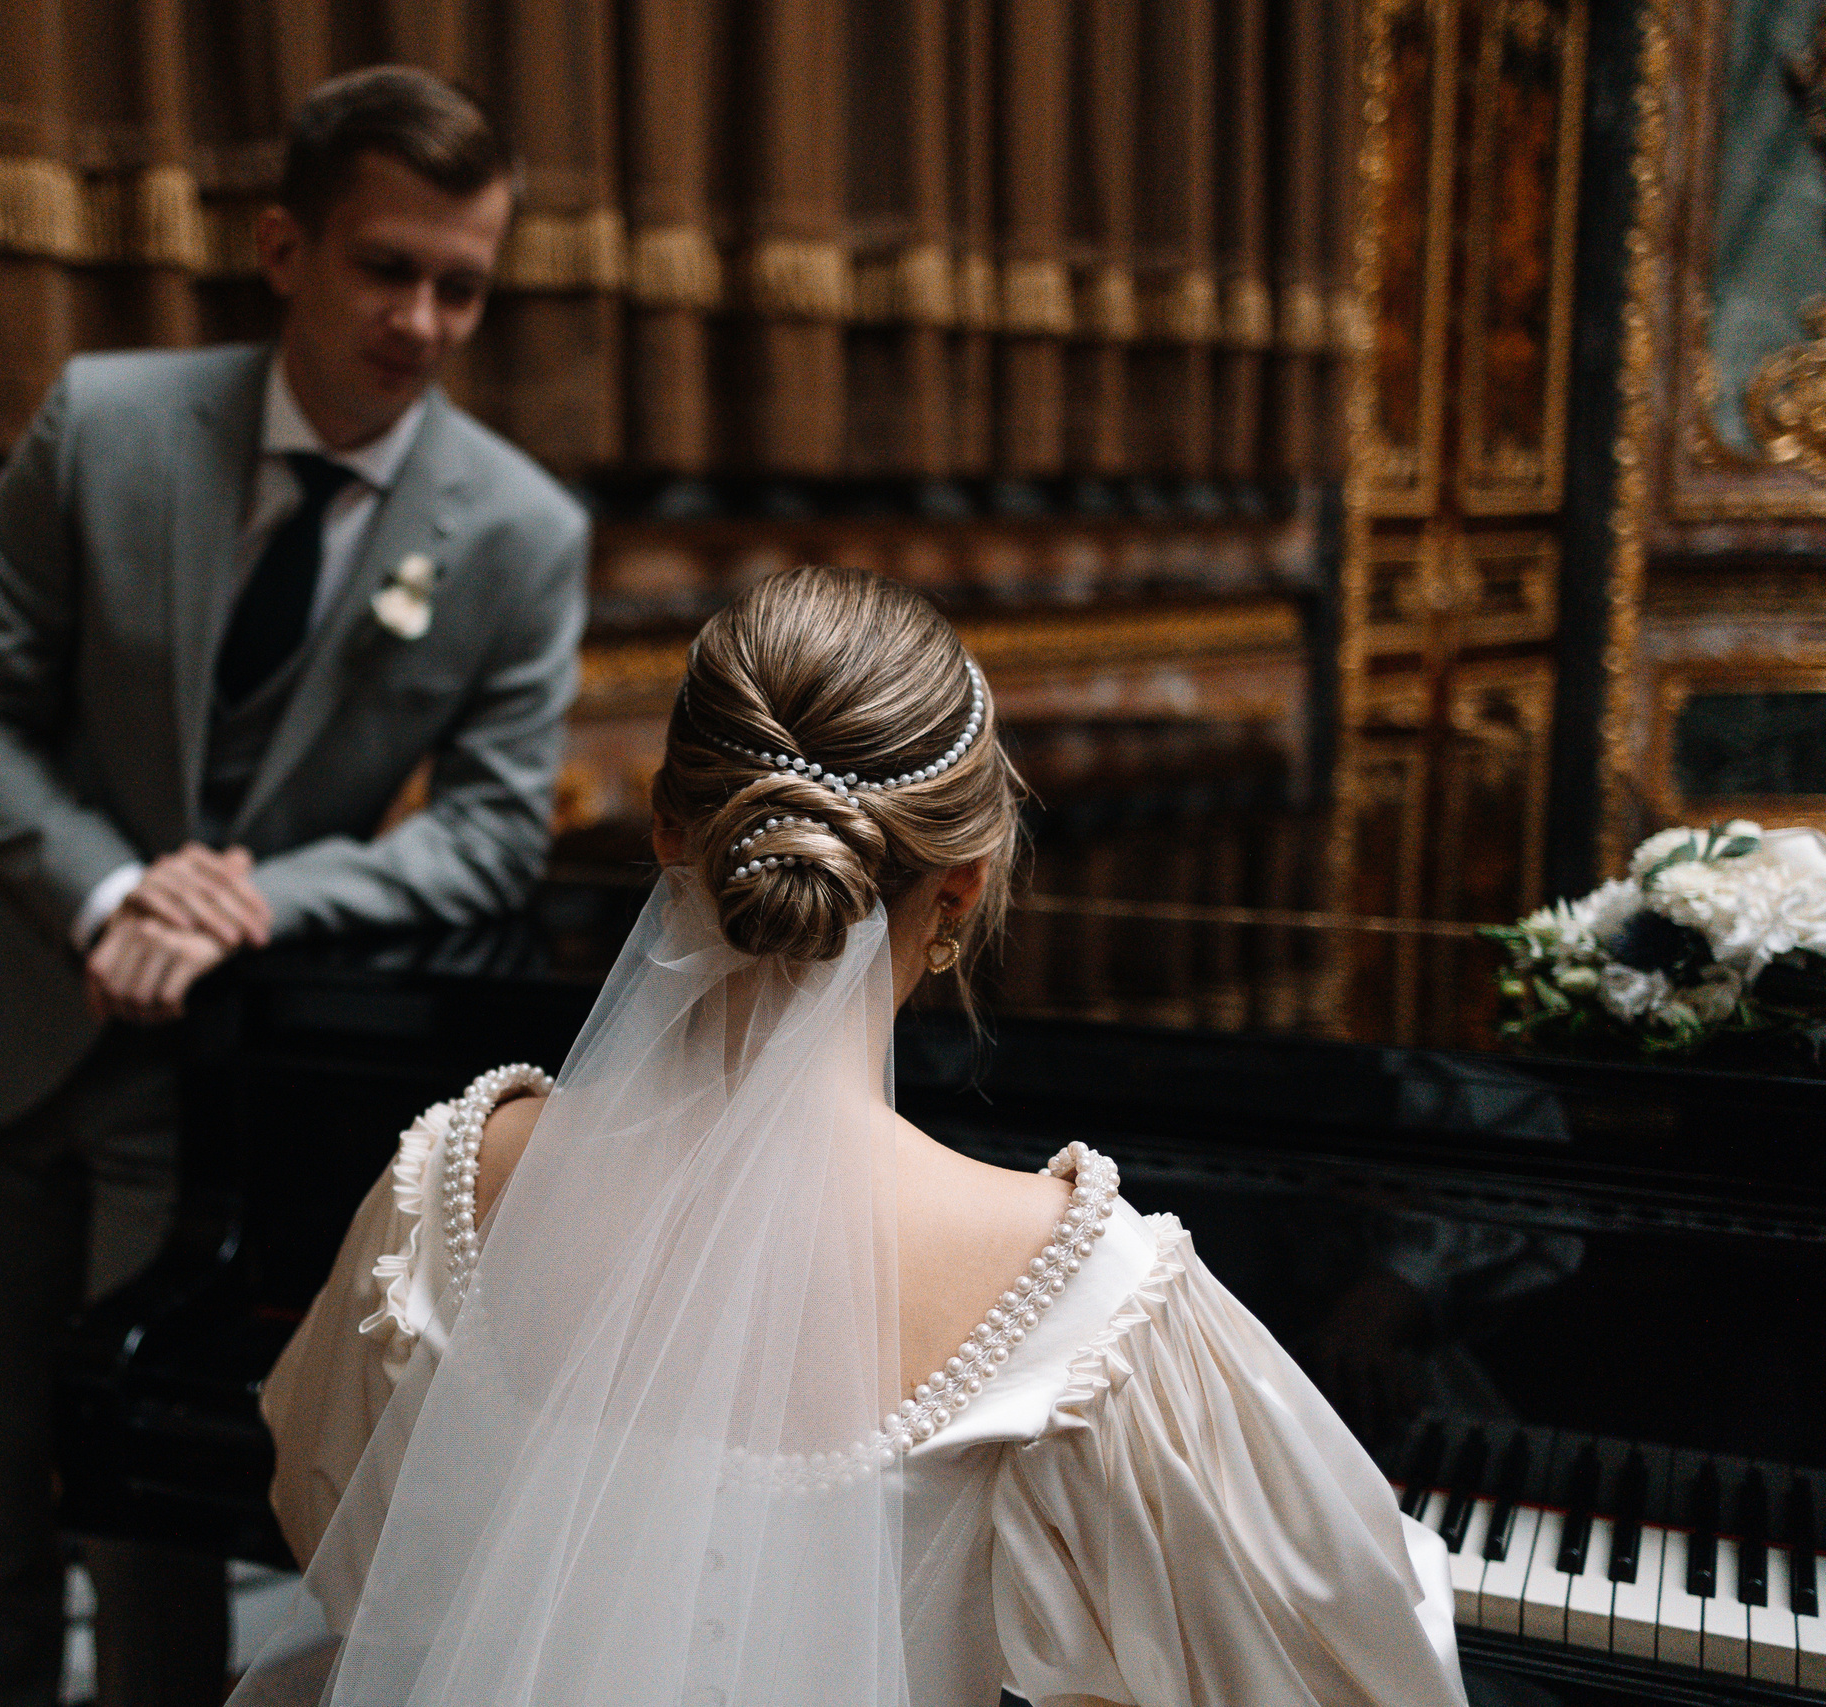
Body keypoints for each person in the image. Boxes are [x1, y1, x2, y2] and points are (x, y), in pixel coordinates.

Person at [250, 566, 1467, 1707]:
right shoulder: (1087, 1295)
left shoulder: (457, 1171)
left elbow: (345, 1538)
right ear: (965, 890)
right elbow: (1354, 1668)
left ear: (670, 830)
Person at [0, 67, 589, 1707]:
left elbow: (486, 829)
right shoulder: (105, 425)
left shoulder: (520, 533)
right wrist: (117, 886)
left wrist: (252, 898)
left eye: (460, 284)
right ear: (286, 247)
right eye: (385, 268)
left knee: (153, 1508)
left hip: (217, 1070)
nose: (420, 318)